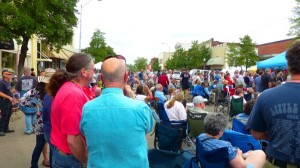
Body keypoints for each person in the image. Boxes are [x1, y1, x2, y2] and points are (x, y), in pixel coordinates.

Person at [80, 55, 154, 167]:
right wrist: (132, 97)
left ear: (101, 77)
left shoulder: (88, 109)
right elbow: (148, 128)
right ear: (126, 77)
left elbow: (83, 132)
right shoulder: (140, 108)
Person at [247, 40, 300, 167]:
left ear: (288, 64)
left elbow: (256, 133)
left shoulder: (266, 96)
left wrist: (278, 135)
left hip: (276, 162)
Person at [47, 53, 94, 167]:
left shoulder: (70, 88)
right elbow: (73, 138)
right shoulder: (73, 94)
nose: (94, 72)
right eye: (93, 68)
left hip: (64, 153)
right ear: (84, 72)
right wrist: (85, 160)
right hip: (70, 157)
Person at [198, 113, 266, 168]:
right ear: (220, 132)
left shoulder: (200, 137)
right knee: (260, 153)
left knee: (251, 153)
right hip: (232, 163)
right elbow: (241, 166)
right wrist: (239, 155)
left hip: (209, 163)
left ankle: (246, 154)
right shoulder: (225, 146)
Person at [20, 68, 55, 168]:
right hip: (52, 120)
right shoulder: (57, 90)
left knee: (39, 145)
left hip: (40, 120)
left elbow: (22, 100)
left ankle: (33, 165)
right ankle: (52, 164)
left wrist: (34, 104)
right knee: (53, 146)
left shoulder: (37, 89)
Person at [0, 69, 17, 136]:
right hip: (4, 101)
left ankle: (6, 128)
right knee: (4, 115)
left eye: (10, 74)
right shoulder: (1, 82)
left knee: (9, 114)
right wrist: (9, 97)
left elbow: (8, 91)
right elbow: (0, 93)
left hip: (9, 101)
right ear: (4, 75)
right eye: (8, 74)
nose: (10, 75)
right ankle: (0, 129)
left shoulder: (8, 82)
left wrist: (13, 97)